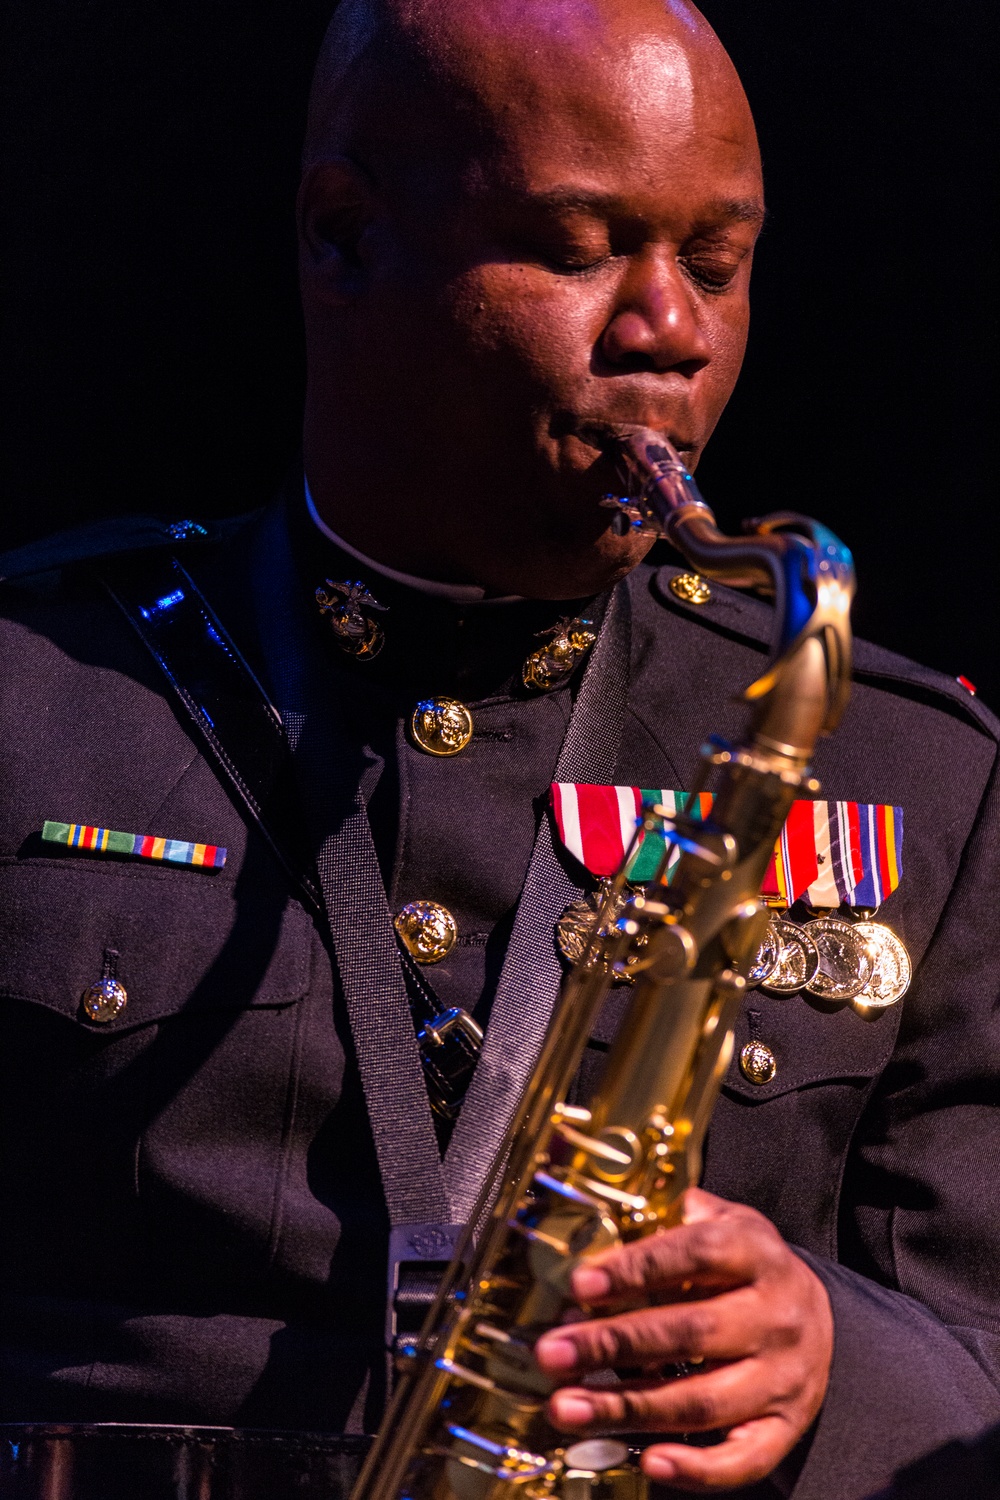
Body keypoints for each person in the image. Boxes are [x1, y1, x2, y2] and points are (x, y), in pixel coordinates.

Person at [0, 2, 997, 1497]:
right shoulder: (31, 692)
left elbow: (979, 1356)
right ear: (340, 238)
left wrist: (828, 1358)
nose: (672, 328)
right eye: (582, 247)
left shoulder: (919, 774)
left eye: (717, 263)